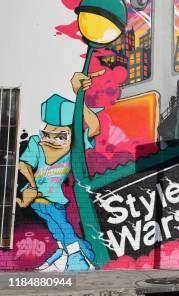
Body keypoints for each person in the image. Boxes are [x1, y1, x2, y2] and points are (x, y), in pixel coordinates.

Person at [16, 70, 104, 272]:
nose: (53, 139)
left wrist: (79, 95)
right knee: (55, 227)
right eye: (48, 133)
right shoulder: (36, 144)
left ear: (70, 133)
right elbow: (24, 164)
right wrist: (33, 184)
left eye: (61, 135)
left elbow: (95, 127)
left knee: (62, 224)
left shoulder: (75, 144)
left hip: (56, 198)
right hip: (37, 199)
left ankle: (76, 256)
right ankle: (63, 253)